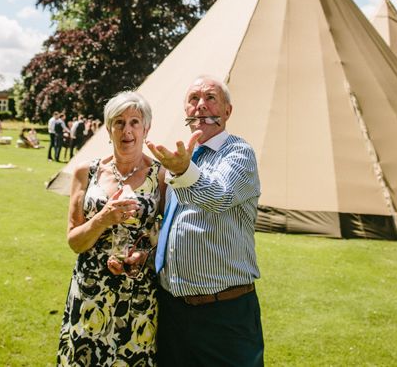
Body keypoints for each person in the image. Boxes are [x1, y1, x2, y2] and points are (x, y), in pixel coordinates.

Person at [147, 75, 264, 367]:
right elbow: (172, 223)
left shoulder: (239, 153)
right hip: (173, 309)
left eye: (211, 98)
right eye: (193, 99)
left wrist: (184, 171)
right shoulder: (180, 159)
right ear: (186, 112)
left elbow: (219, 196)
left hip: (223, 313)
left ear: (227, 111)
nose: (201, 106)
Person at [57, 90, 166, 366]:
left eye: (134, 122)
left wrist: (144, 255)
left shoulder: (161, 176)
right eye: (118, 122)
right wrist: (103, 218)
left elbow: (167, 237)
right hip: (90, 292)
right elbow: (74, 242)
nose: (126, 130)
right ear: (108, 129)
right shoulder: (86, 173)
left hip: (137, 296)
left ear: (146, 129)